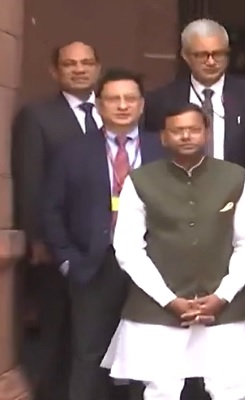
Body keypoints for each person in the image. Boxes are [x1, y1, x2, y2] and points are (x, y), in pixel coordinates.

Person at [100, 103, 245, 400]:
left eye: (193, 129)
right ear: (163, 137)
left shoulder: (235, 177)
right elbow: (128, 248)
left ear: (207, 133)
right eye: (178, 131)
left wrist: (223, 295)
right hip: (157, 305)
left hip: (223, 306)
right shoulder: (140, 181)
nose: (186, 136)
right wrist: (169, 300)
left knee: (230, 389)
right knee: (161, 390)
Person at [42, 67, 163, 400]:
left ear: (142, 105)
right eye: (113, 99)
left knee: (149, 358)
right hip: (93, 266)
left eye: (130, 98)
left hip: (152, 267)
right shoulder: (72, 151)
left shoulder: (163, 150)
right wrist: (68, 260)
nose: (122, 105)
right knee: (88, 357)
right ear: (98, 105)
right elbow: (51, 210)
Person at [11, 40, 102, 400]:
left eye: (86, 62)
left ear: (97, 67)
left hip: (107, 248)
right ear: (55, 71)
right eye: (70, 64)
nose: (79, 69)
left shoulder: (116, 109)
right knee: (57, 334)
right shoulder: (37, 116)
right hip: (57, 248)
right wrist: (38, 240)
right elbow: (29, 180)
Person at [143, 18, 245, 166]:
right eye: (201, 55)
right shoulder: (161, 100)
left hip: (238, 184)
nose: (211, 62)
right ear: (186, 56)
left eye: (218, 54)